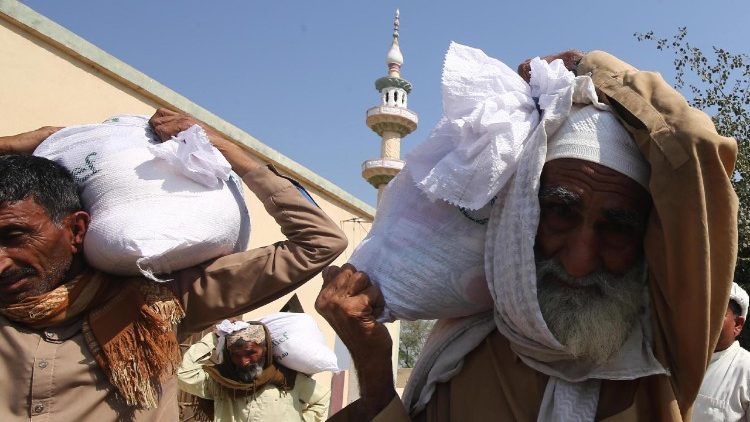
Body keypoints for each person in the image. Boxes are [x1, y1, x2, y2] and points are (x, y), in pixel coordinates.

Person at [316, 50, 738, 421]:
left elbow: (695, 146)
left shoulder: (664, 340)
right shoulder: (464, 345)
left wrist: (590, 69)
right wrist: (373, 373)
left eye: (616, 228)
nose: (579, 260)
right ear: (522, 214)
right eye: (560, 212)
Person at [0, 108, 348, 421]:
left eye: (14, 236)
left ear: (77, 229)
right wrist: (14, 145)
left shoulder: (159, 303)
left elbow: (319, 242)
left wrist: (219, 147)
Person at [178, 319, 330, 421]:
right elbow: (185, 375)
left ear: (265, 349)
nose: (243, 361)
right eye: (235, 355)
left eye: (251, 353)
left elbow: (322, 398)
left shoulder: (286, 378)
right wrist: (215, 337)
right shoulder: (221, 381)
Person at [694, 282, 750, 421]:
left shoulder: (746, 369)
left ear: (737, 324)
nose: (705, 318)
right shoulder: (673, 360)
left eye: (716, 312)